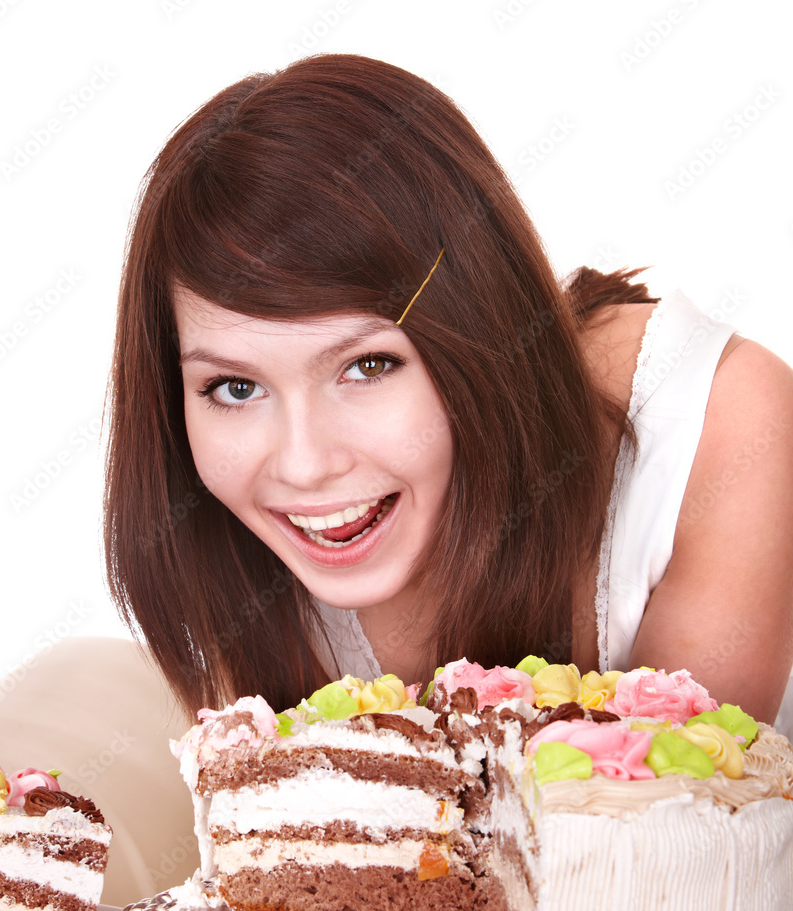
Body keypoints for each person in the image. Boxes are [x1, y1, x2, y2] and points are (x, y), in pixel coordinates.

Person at [103, 53, 793, 726]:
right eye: (233, 387)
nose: (304, 465)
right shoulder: (225, 543)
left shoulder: (715, 421)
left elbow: (663, 821)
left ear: (479, 328)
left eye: (367, 366)